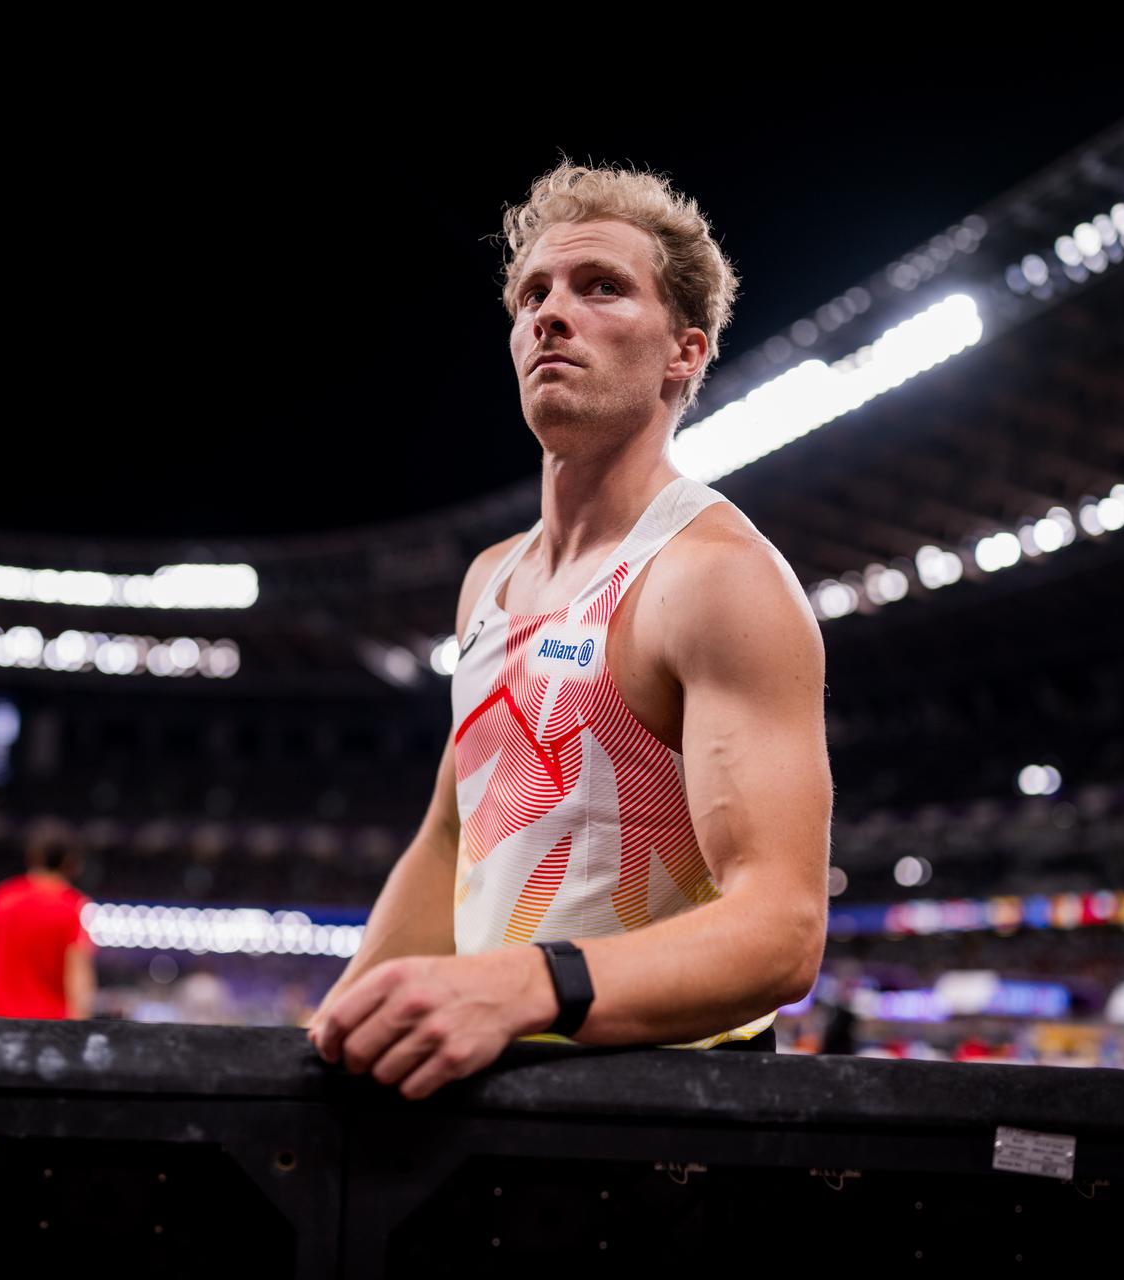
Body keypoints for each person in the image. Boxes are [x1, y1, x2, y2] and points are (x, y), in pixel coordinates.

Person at [308, 159, 832, 1099]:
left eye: (601, 288)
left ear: (685, 352)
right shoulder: (489, 582)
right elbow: (447, 839)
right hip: (485, 1094)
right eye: (532, 294)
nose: (550, 314)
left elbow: (782, 931)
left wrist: (530, 985)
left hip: (665, 1116)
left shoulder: (716, 579)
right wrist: (332, 1029)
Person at [0, 818, 96, 1019]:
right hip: (49, 1031)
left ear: (32, 856)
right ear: (70, 861)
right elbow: (78, 981)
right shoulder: (74, 906)